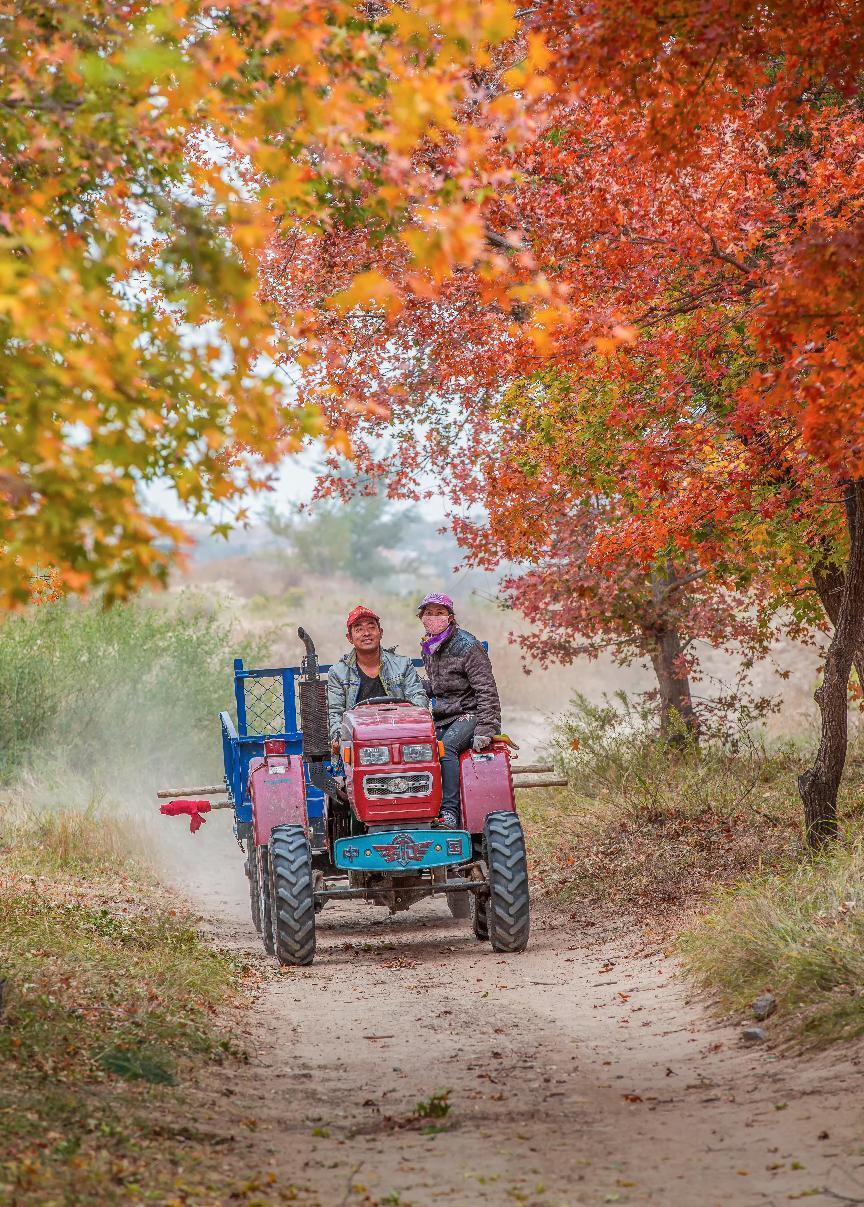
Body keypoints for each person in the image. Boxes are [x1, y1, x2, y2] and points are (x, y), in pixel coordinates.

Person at [418, 592, 502, 828]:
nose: (434, 618)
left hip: (471, 713)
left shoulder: (467, 645)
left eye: (440, 613)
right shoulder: (429, 647)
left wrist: (486, 727)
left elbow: (486, 689)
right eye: (429, 613)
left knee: (447, 748)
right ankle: (425, 810)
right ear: (422, 618)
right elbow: (438, 687)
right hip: (445, 715)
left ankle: (450, 813)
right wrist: (411, 685)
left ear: (450, 617)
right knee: (422, 749)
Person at [327, 605, 428, 753]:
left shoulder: (403, 664)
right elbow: (335, 712)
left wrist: (408, 725)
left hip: (399, 737)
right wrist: (338, 737)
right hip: (358, 742)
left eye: (371, 627)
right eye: (359, 629)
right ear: (349, 638)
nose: (366, 633)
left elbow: (418, 698)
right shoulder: (338, 673)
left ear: (380, 633)